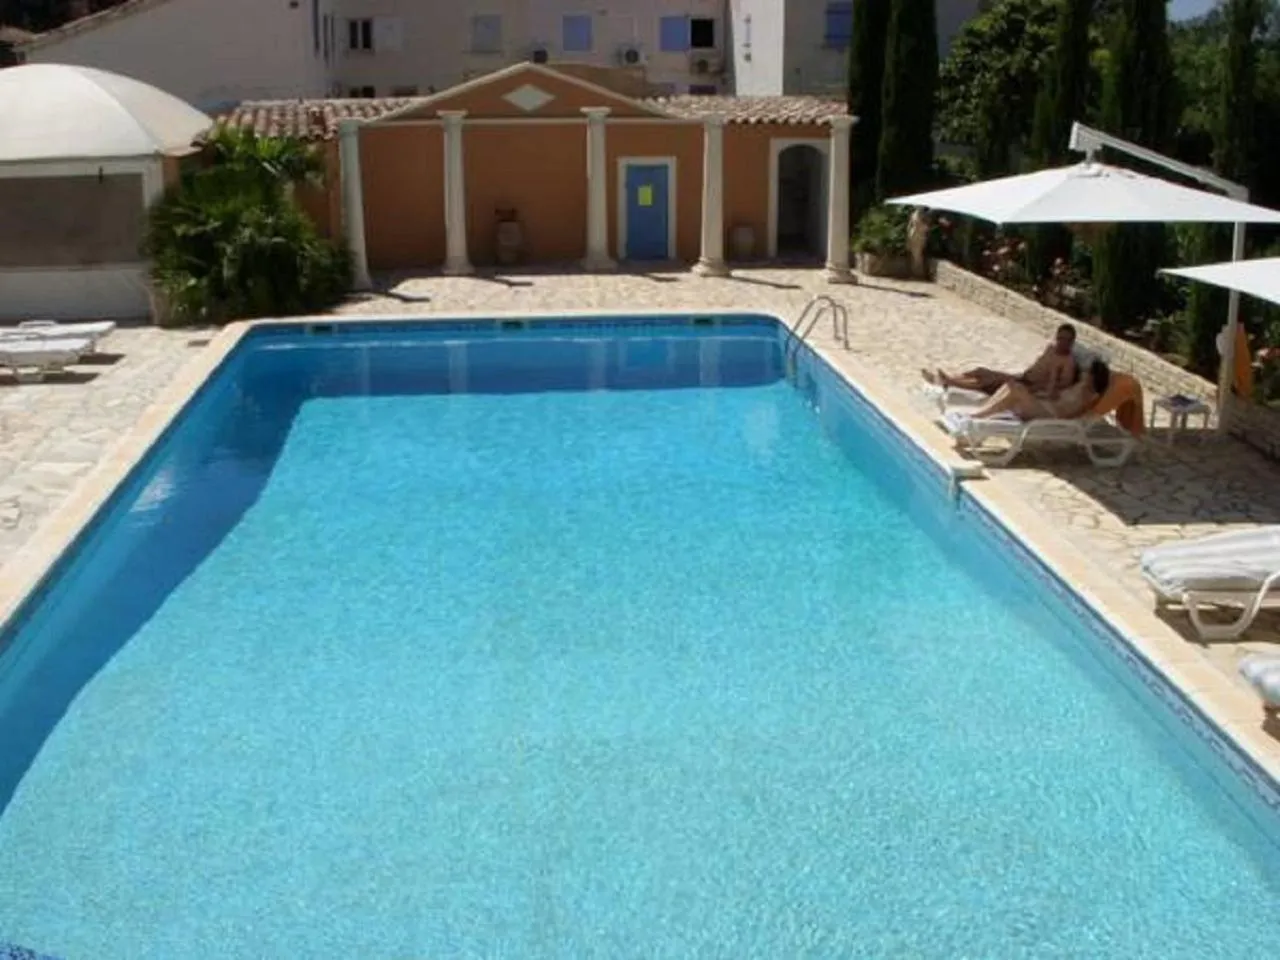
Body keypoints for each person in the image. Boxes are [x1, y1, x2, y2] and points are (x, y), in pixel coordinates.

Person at [922, 323, 1079, 396]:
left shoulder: (1068, 362)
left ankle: (949, 382)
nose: (1061, 342)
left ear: (1071, 342)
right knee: (980, 371)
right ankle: (943, 378)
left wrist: (1038, 388)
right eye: (1060, 338)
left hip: (1029, 386)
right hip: (1023, 377)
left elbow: (1063, 385)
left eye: (1066, 340)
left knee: (987, 381)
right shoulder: (1051, 348)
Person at [964, 357, 1110, 422]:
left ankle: (978, 417)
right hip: (1044, 406)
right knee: (1011, 384)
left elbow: (1073, 414)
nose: (1084, 373)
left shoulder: (1090, 396)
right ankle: (981, 412)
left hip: (1050, 416)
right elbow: (1059, 397)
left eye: (1088, 372)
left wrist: (1059, 413)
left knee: (1016, 389)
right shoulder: (1080, 385)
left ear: (1094, 377)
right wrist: (1046, 396)